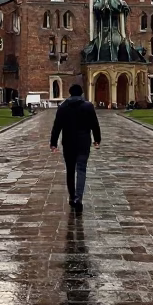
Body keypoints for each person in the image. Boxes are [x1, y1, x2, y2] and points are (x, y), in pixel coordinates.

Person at [49, 84, 101, 213]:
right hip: (83, 142)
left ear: (70, 93)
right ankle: (79, 197)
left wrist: (53, 143)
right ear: (81, 93)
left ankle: (72, 197)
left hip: (68, 142)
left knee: (70, 170)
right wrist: (97, 140)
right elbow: (95, 124)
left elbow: (57, 126)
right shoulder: (88, 106)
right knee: (81, 169)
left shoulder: (63, 107)